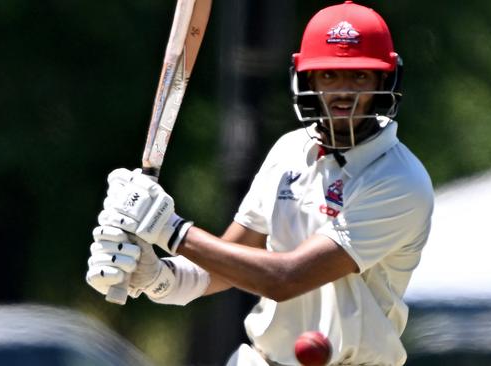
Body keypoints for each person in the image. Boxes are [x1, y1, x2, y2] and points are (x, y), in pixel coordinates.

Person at [86, 1, 434, 365]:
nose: (344, 91)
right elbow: (225, 263)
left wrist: (172, 230)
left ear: (385, 79)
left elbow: (286, 278)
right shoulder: (289, 151)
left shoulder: (398, 180)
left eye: (359, 76)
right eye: (329, 75)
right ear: (307, 79)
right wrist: (159, 277)